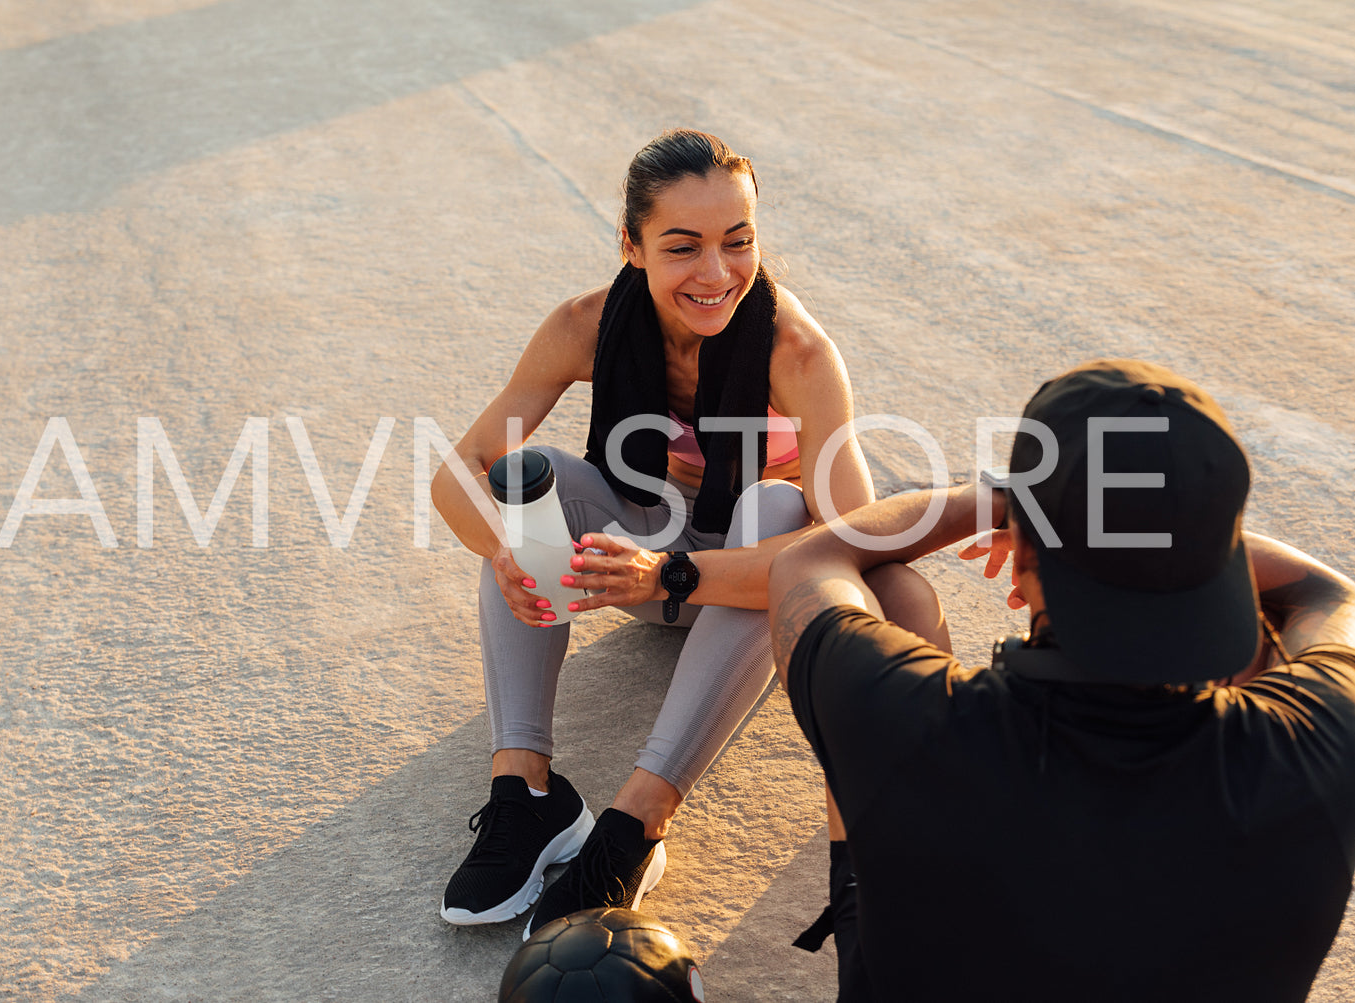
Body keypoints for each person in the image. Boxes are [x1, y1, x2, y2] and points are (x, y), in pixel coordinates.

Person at [431, 129, 937, 938]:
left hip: (742, 588)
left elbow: (852, 541)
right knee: (534, 478)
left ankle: (637, 823)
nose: (716, 273)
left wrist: (668, 576)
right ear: (630, 245)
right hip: (631, 558)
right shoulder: (584, 325)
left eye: (738, 242)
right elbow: (461, 467)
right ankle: (525, 792)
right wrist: (502, 545)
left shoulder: (796, 353)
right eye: (682, 246)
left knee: (778, 507)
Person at [768, 358, 1355, 1002]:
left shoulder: (902, 714)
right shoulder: (1323, 742)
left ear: (1021, 551)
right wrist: (1182, 532)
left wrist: (994, 501)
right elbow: (1328, 593)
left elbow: (812, 559)